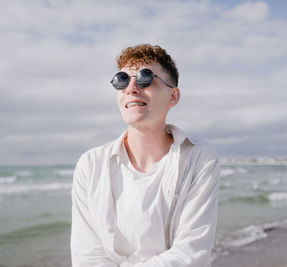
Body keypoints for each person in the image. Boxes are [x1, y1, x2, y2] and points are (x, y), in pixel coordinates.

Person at [71, 44, 220, 266]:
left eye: (145, 78)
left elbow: (190, 255)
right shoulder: (90, 164)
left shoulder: (199, 158)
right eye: (122, 79)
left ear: (173, 96)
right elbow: (87, 257)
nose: (131, 87)